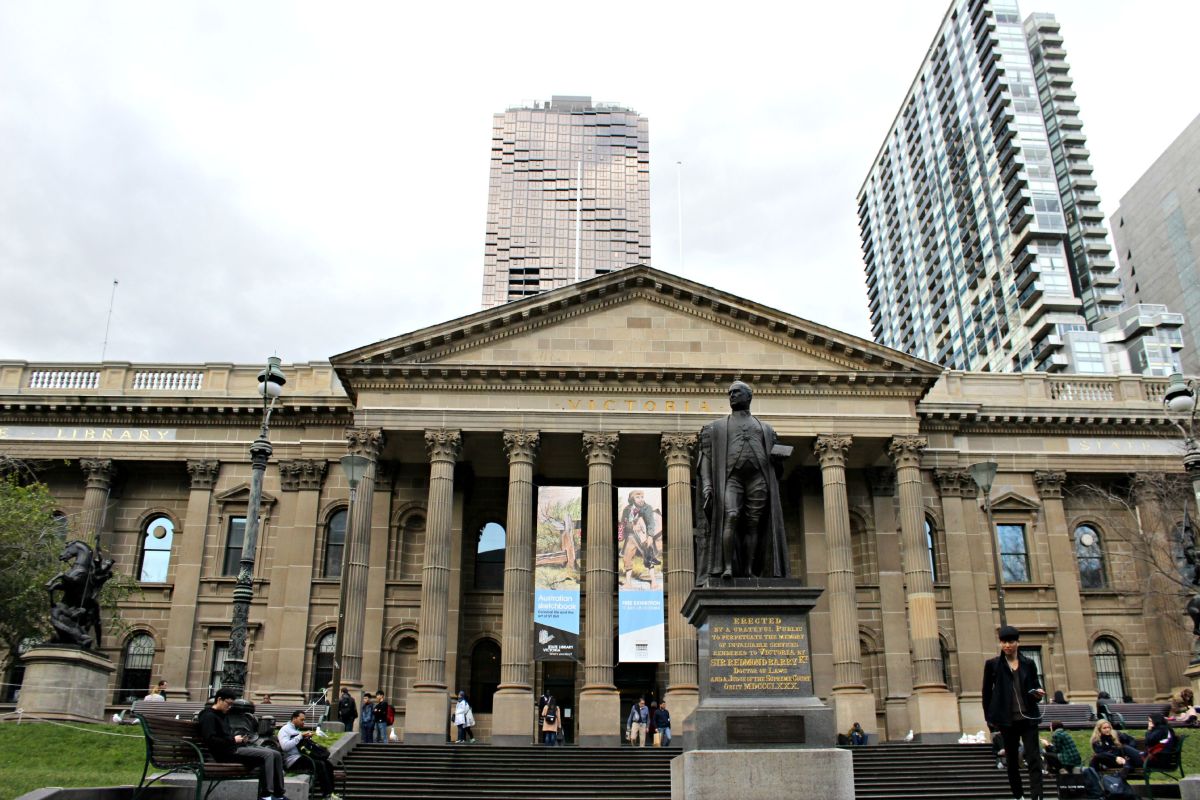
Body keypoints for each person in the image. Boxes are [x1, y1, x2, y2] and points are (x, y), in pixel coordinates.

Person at [696, 381, 790, 579]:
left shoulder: (765, 429)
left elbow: (776, 468)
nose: (732, 396)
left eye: (737, 392)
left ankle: (748, 570)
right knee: (730, 515)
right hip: (732, 477)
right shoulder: (716, 428)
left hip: (758, 477)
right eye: (730, 393)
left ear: (749, 396)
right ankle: (728, 567)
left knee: (753, 524)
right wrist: (707, 485)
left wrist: (778, 460)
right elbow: (706, 459)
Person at [982, 625, 1044, 800]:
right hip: (1007, 720)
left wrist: (1038, 694)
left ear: (1017, 642)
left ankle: (1037, 796)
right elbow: (986, 694)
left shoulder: (1029, 664)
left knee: (1033, 758)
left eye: (1010, 641)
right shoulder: (993, 665)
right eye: (1003, 642)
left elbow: (1035, 686)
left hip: (1028, 717)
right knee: (1012, 762)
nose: (1007, 645)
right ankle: (1018, 796)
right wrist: (989, 720)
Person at [198, 687, 287, 800]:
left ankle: (279, 794)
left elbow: (226, 736)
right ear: (219, 699)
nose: (229, 707)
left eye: (231, 705)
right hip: (225, 753)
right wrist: (233, 740)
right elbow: (210, 739)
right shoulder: (208, 716)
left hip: (234, 749)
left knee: (276, 754)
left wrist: (239, 739)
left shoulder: (222, 715)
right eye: (228, 704)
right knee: (268, 755)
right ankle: (266, 795)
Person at [279, 709, 340, 800]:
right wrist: (300, 736)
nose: (303, 722)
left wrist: (306, 738)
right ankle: (326, 795)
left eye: (304, 720)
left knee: (328, 764)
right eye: (302, 720)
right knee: (320, 764)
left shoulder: (296, 730)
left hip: (302, 757)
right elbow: (285, 747)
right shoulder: (285, 730)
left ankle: (332, 793)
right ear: (294, 718)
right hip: (293, 760)